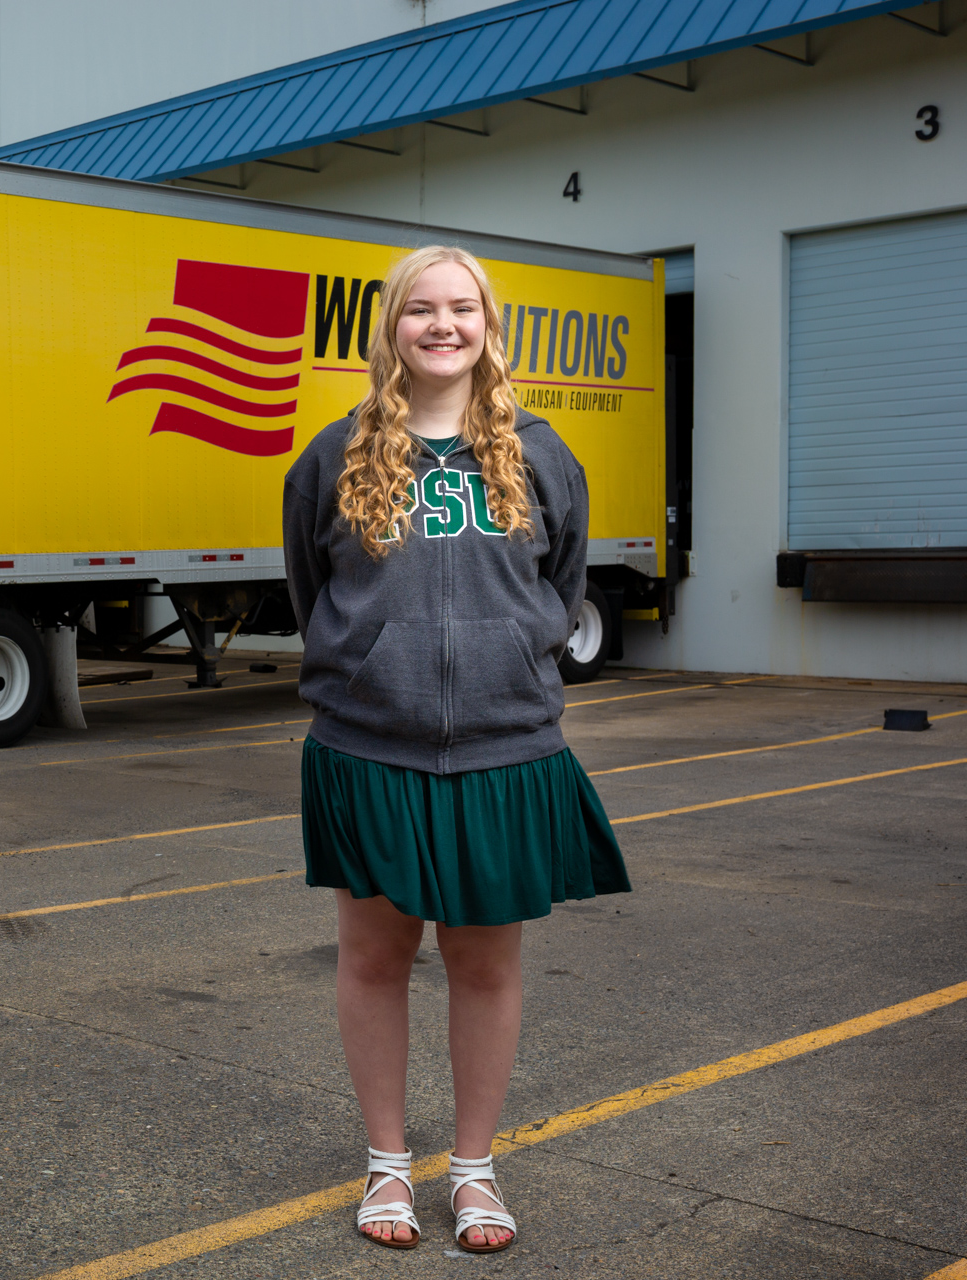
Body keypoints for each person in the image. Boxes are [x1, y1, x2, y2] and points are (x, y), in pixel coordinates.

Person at [281, 245, 631, 1254]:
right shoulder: (332, 457)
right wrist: (375, 670)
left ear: (489, 323)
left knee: (483, 966)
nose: (443, 325)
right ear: (389, 328)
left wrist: (494, 660)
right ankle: (387, 1163)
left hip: (504, 746)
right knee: (375, 957)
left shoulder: (542, 453)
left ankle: (473, 1168)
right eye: (420, 309)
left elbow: (558, 592)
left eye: (462, 307)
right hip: (368, 746)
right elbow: (316, 593)